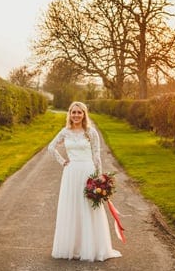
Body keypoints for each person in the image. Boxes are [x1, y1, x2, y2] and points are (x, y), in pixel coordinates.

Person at [46, 101, 122, 262]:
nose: (76, 115)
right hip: (71, 172)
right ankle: (71, 247)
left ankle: (90, 247)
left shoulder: (91, 132)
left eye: (79, 112)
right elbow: (51, 147)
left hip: (88, 172)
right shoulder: (65, 132)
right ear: (69, 114)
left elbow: (96, 155)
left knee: (88, 208)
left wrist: (100, 178)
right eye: (73, 112)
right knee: (72, 207)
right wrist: (63, 161)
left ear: (84, 114)